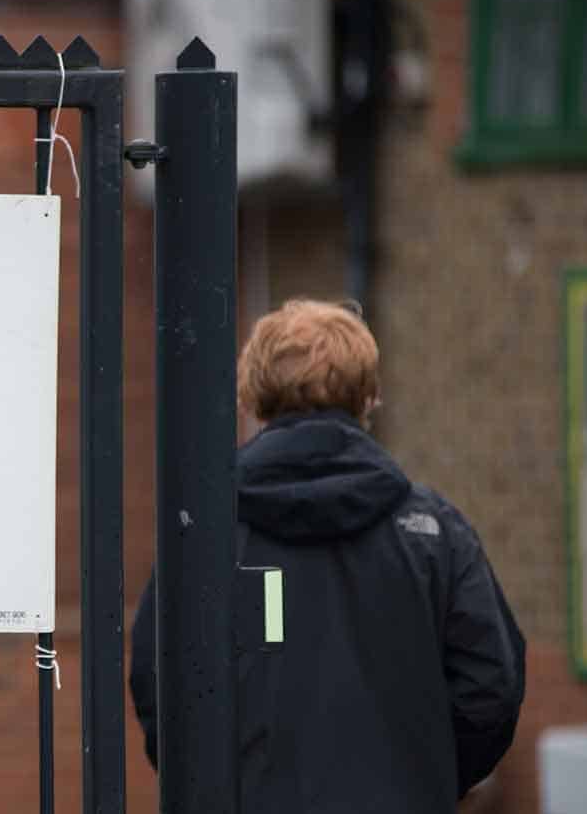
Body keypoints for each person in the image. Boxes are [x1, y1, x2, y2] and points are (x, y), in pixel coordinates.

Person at [129, 298, 526, 812]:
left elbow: (160, 680)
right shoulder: (433, 532)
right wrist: (425, 774)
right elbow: (490, 685)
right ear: (369, 396)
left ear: (253, 396)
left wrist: (223, 781)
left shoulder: (206, 536)